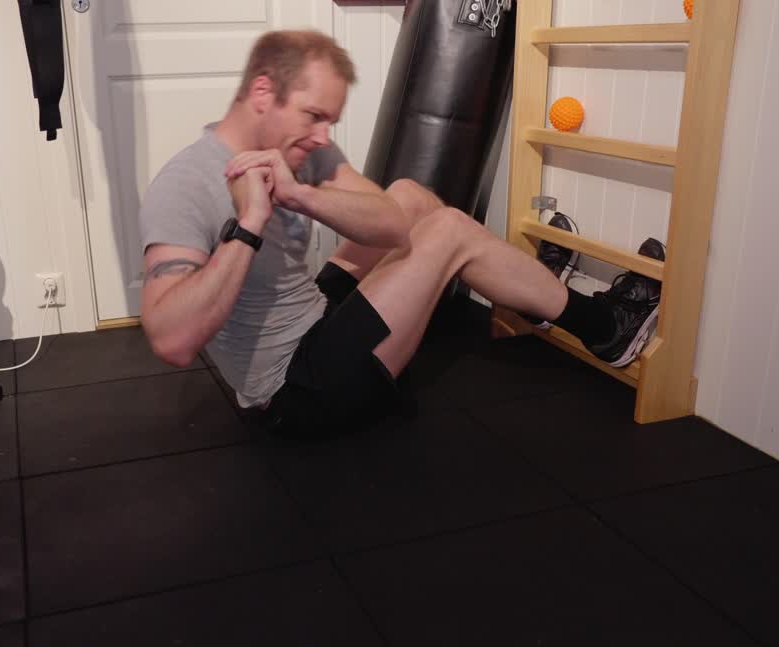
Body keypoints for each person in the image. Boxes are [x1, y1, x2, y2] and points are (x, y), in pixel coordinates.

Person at [139, 30, 660, 438]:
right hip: (298, 391)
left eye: (329, 121)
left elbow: (393, 221)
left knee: (410, 195)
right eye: (314, 116)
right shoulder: (185, 184)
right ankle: (605, 328)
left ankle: (533, 295)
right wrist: (251, 221)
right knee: (449, 229)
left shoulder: (300, 148)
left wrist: (302, 196)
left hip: (316, 321)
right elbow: (172, 341)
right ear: (262, 92)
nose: (323, 136)